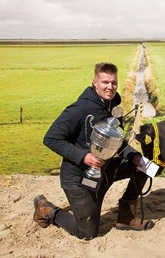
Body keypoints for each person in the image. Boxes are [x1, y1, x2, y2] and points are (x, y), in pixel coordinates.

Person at [34, 62, 154, 240]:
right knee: (87, 233)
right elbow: (50, 138)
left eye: (113, 82)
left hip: (102, 173)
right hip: (78, 178)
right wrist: (84, 157)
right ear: (95, 82)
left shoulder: (113, 108)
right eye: (105, 82)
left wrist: (135, 156)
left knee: (144, 166)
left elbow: (116, 143)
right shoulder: (79, 109)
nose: (110, 87)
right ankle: (47, 209)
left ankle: (126, 218)